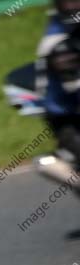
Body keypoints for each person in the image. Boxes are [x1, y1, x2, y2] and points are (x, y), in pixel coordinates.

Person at [37, 1, 80, 167]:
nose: (74, 6)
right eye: (68, 2)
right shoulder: (55, 40)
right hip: (67, 115)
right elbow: (72, 85)